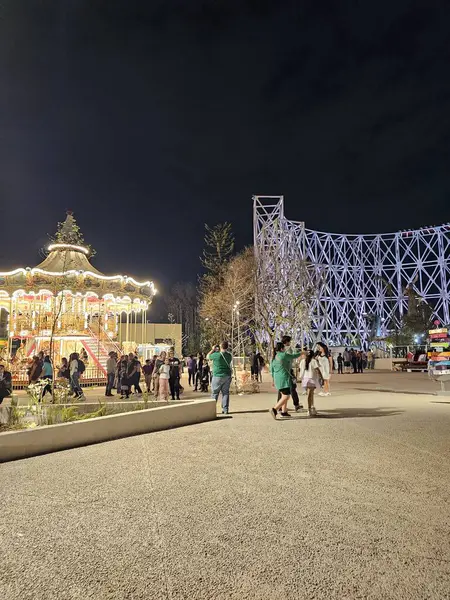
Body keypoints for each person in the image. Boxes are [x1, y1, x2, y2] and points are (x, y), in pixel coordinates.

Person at [269, 337, 302, 419]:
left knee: (283, 394)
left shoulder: (274, 357)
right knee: (286, 396)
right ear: (282, 348)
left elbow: (271, 370)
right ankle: (274, 409)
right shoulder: (284, 355)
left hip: (277, 379)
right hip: (284, 378)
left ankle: (284, 412)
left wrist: (273, 380)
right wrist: (302, 353)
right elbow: (294, 356)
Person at [207, 341, 233, 414]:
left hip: (217, 376)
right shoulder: (229, 355)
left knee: (215, 393)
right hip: (227, 376)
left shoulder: (216, 355)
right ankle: (225, 409)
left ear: (220, 347)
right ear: (227, 347)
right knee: (225, 393)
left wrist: (212, 349)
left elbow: (207, 356)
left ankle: (211, 410)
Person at [299, 350, 321, 417]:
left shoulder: (303, 361)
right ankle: (310, 408)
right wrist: (321, 377)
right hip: (311, 379)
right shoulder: (313, 361)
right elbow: (317, 369)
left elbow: (300, 369)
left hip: (305, 379)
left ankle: (311, 407)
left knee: (310, 394)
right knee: (310, 394)